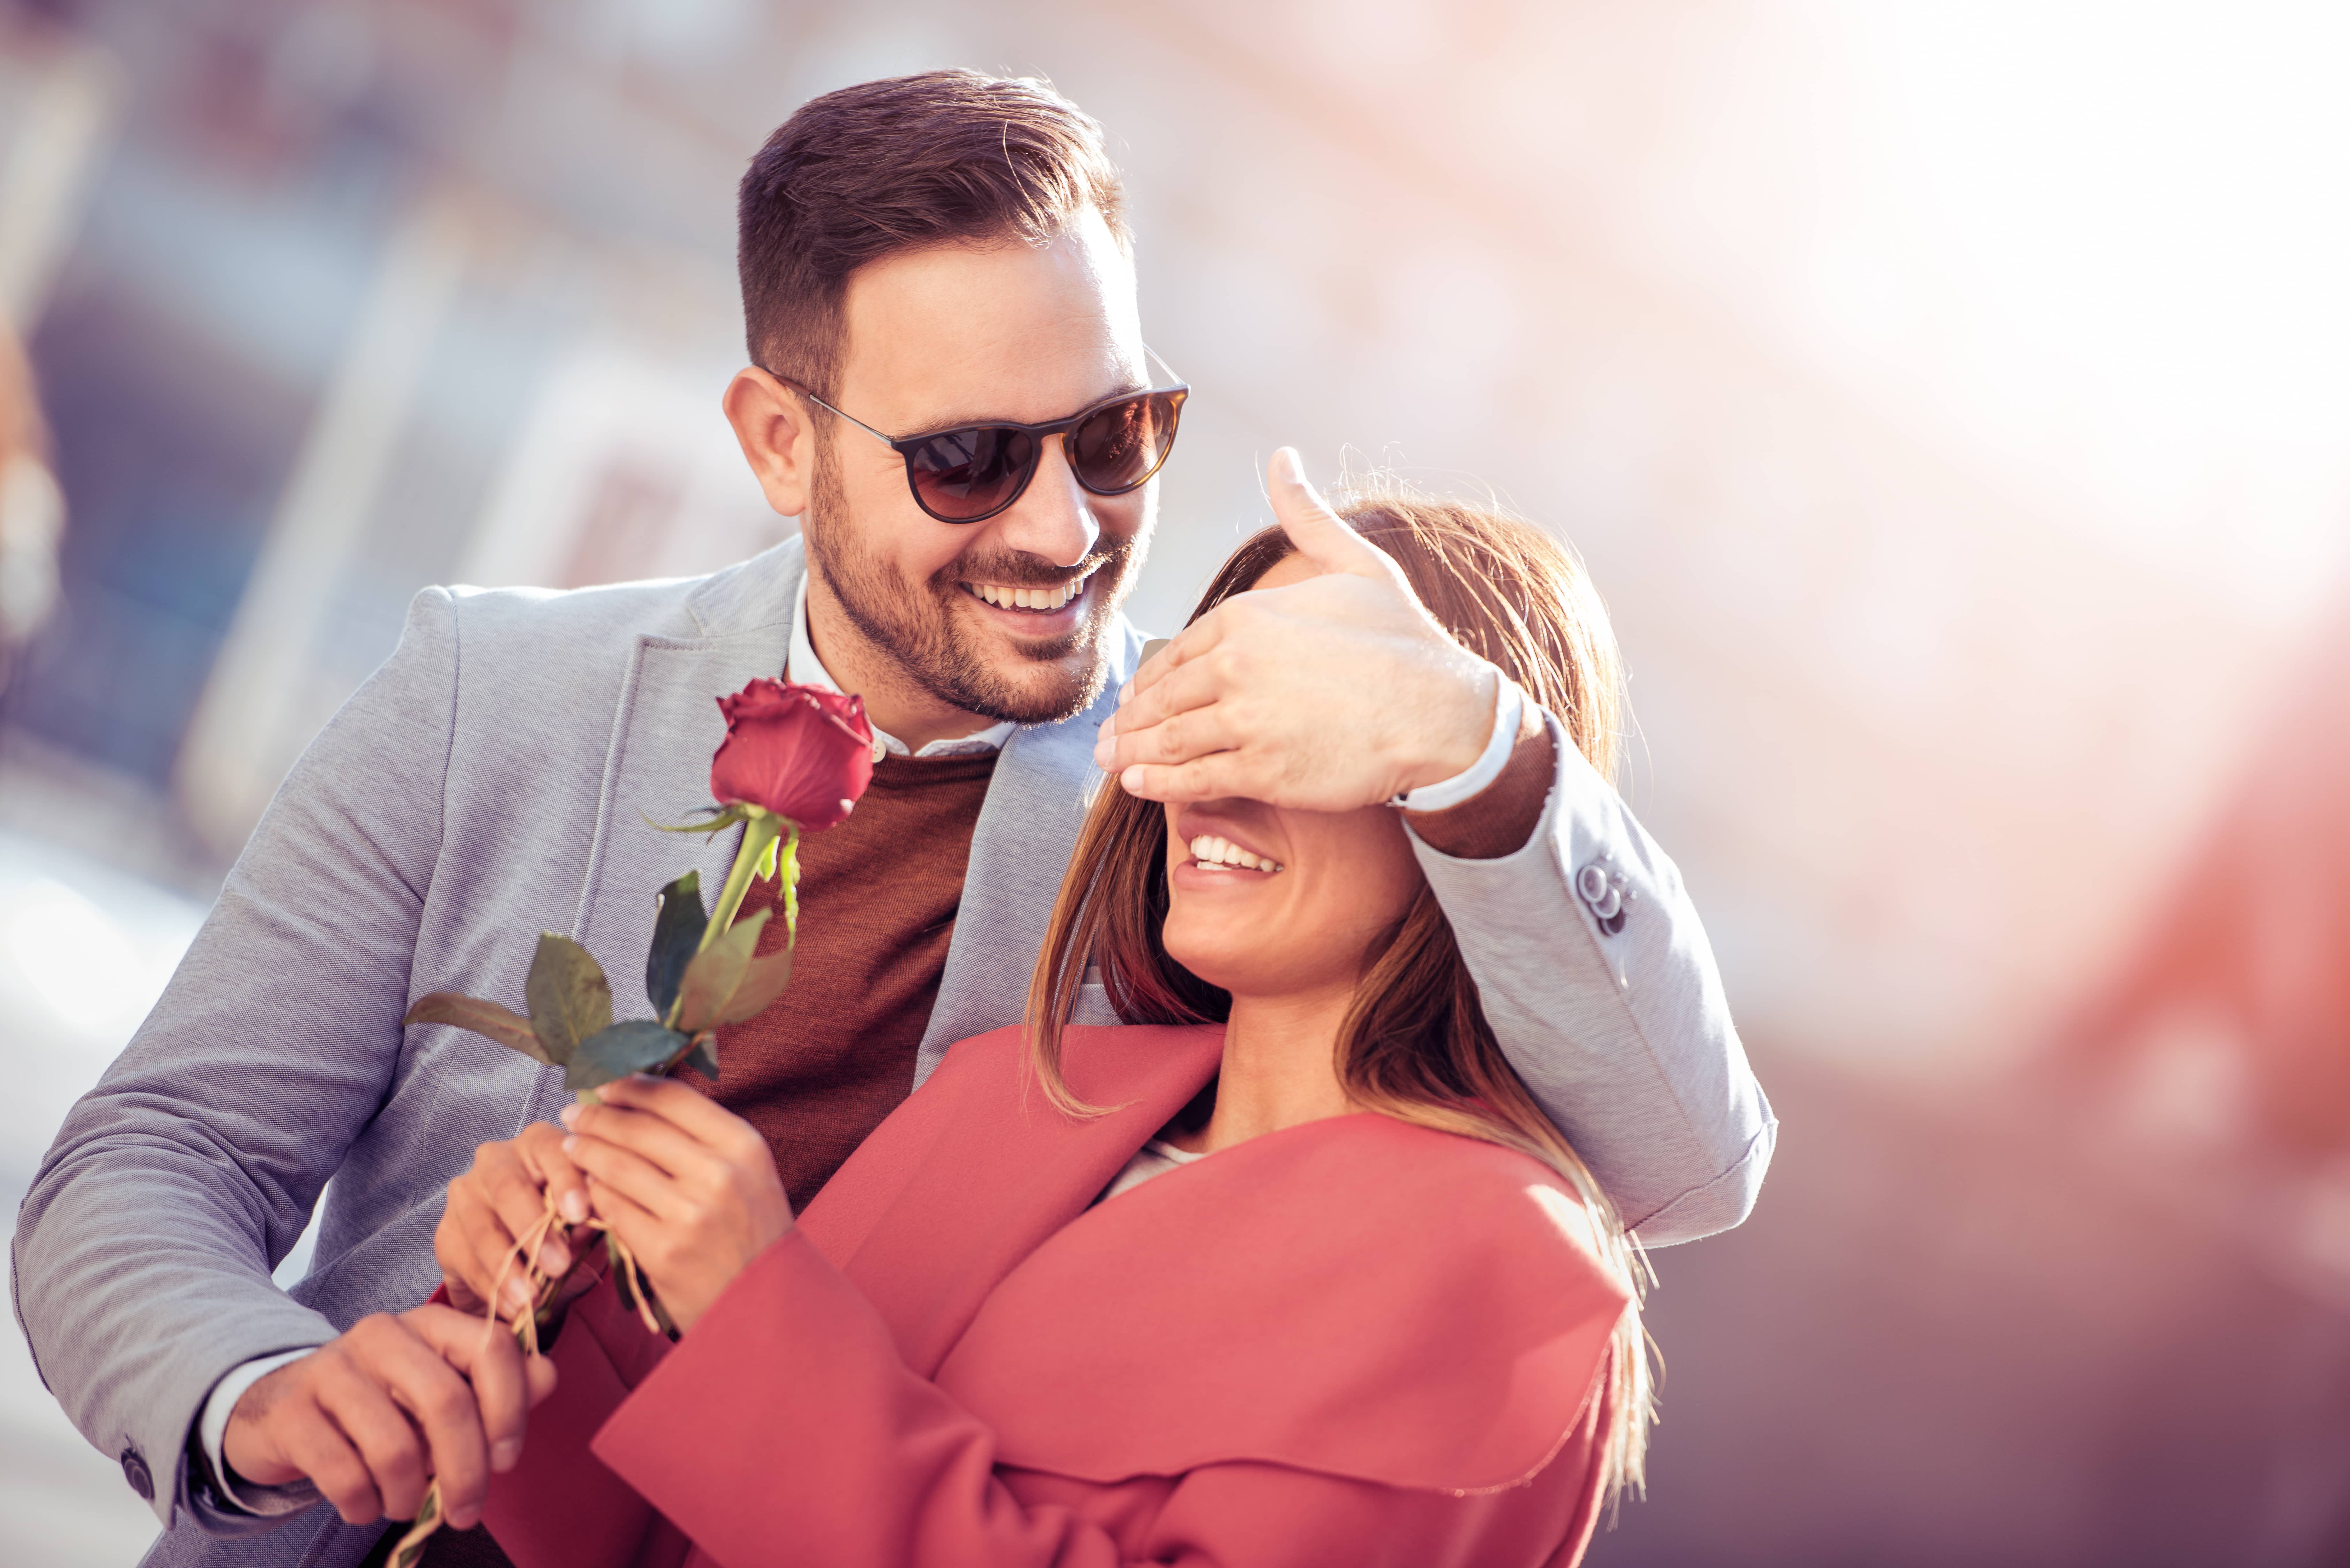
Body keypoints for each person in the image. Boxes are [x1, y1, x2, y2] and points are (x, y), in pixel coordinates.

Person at [11, 72, 1770, 1568]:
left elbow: (1683, 1163)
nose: (1064, 528)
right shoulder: (494, 695)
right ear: (780, 443)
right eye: (967, 459)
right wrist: (269, 1392)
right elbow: (150, 1163)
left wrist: (1477, 751)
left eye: (1120, 437)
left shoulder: (1200, 817)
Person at [466, 493, 1656, 1568]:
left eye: (1303, 722)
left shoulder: (1501, 1272)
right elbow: (666, 1536)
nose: (1214, 775)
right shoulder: (1022, 1089)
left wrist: (757, 1329)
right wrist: (534, 1338)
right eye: (1206, 699)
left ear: (1457, 792)